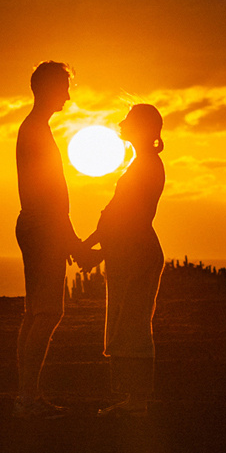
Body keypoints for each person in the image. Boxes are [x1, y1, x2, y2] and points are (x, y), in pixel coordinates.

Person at [82, 103, 166, 416]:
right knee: (123, 324)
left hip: (137, 254)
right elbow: (116, 215)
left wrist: (91, 248)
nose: (121, 123)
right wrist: (94, 247)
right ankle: (132, 399)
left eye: (129, 120)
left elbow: (126, 216)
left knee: (133, 325)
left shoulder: (146, 165)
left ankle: (138, 401)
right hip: (126, 252)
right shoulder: (140, 163)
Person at [13, 61, 83, 417]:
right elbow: (49, 193)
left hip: (40, 225)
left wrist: (68, 237)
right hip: (42, 226)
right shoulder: (35, 130)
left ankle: (26, 395)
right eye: (64, 87)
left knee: (36, 313)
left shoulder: (35, 128)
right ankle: (27, 398)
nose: (68, 96)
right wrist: (66, 237)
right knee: (46, 311)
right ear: (47, 88)